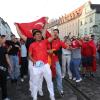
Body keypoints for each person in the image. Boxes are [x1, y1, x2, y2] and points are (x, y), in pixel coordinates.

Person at [29, 29, 55, 100]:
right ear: (34, 37)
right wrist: (34, 61)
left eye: (40, 34)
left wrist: (53, 32)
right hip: (37, 67)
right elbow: (29, 55)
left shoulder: (44, 41)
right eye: (37, 34)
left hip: (45, 65)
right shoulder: (32, 45)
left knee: (49, 81)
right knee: (35, 83)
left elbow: (52, 38)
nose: (39, 35)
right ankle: (34, 97)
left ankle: (52, 96)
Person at [51, 29, 68, 96]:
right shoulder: (49, 41)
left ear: (58, 34)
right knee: (50, 77)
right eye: (54, 32)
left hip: (56, 61)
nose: (55, 34)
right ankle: (50, 91)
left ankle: (60, 90)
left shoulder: (60, 42)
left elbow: (66, 47)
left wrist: (69, 45)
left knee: (59, 75)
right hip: (48, 62)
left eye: (56, 33)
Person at [0, 35, 12, 100]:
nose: (4, 40)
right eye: (3, 38)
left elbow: (7, 58)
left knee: (4, 83)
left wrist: (10, 66)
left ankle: (4, 97)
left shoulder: (4, 48)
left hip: (4, 68)